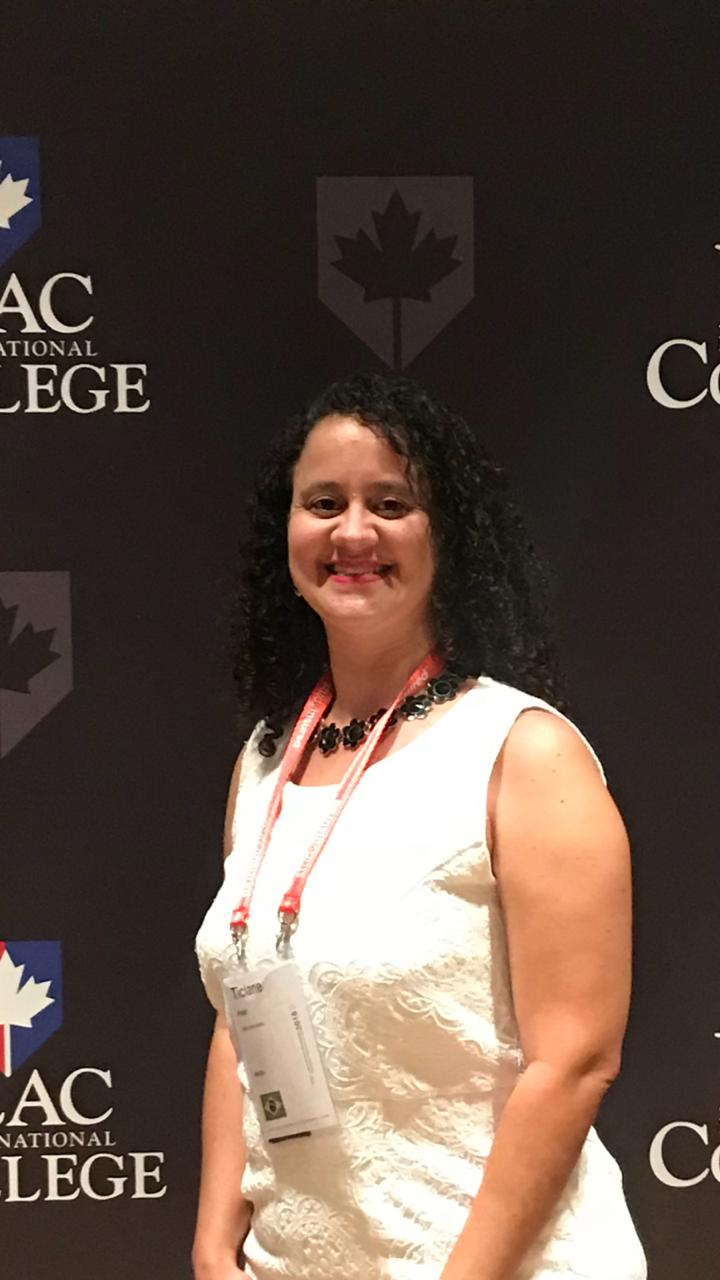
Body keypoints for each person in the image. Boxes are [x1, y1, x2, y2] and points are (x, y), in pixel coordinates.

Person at [193, 370, 647, 1280]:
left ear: (448, 535)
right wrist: (214, 1241)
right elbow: (243, 1013)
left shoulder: (521, 750)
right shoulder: (266, 761)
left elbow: (574, 1063)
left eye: (391, 504)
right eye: (325, 502)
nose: (353, 533)